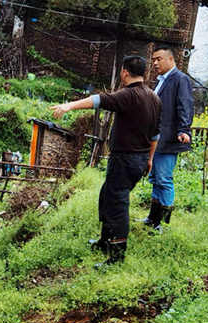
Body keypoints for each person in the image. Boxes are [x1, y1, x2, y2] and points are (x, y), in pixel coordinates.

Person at [51, 55, 161, 265]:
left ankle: (117, 256)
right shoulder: (154, 98)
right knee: (108, 196)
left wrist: (68, 106)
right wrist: (150, 159)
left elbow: (99, 100)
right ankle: (105, 240)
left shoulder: (129, 95)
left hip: (125, 159)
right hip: (139, 159)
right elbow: (156, 134)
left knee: (118, 204)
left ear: (125, 72)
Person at [142, 46, 194, 231]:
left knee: (164, 179)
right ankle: (152, 218)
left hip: (169, 138)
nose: (155, 63)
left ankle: (162, 224)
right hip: (157, 139)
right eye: (153, 59)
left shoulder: (180, 79)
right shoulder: (162, 81)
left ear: (171, 59)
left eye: (159, 59)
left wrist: (184, 129)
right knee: (156, 178)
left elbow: (185, 105)